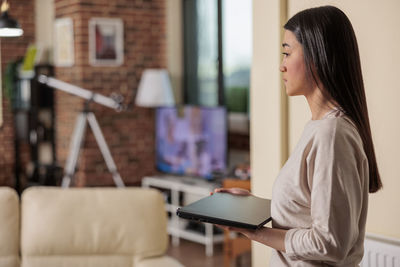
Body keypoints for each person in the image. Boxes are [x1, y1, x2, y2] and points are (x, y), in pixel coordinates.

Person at [214, 5, 382, 266]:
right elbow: (308, 211)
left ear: (317, 57)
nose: (281, 66)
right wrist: (251, 206)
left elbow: (329, 244)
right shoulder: (319, 127)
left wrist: (255, 232)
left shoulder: (332, 133)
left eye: (287, 53)